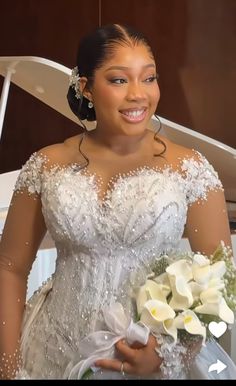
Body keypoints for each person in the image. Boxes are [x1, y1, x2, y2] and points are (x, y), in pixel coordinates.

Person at [0, 23, 235, 380]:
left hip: (149, 359)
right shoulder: (47, 165)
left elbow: (224, 279)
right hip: (48, 354)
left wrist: (167, 353)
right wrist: (8, 367)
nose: (139, 95)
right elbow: (9, 268)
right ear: (86, 88)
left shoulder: (189, 169)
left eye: (149, 78)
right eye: (119, 80)